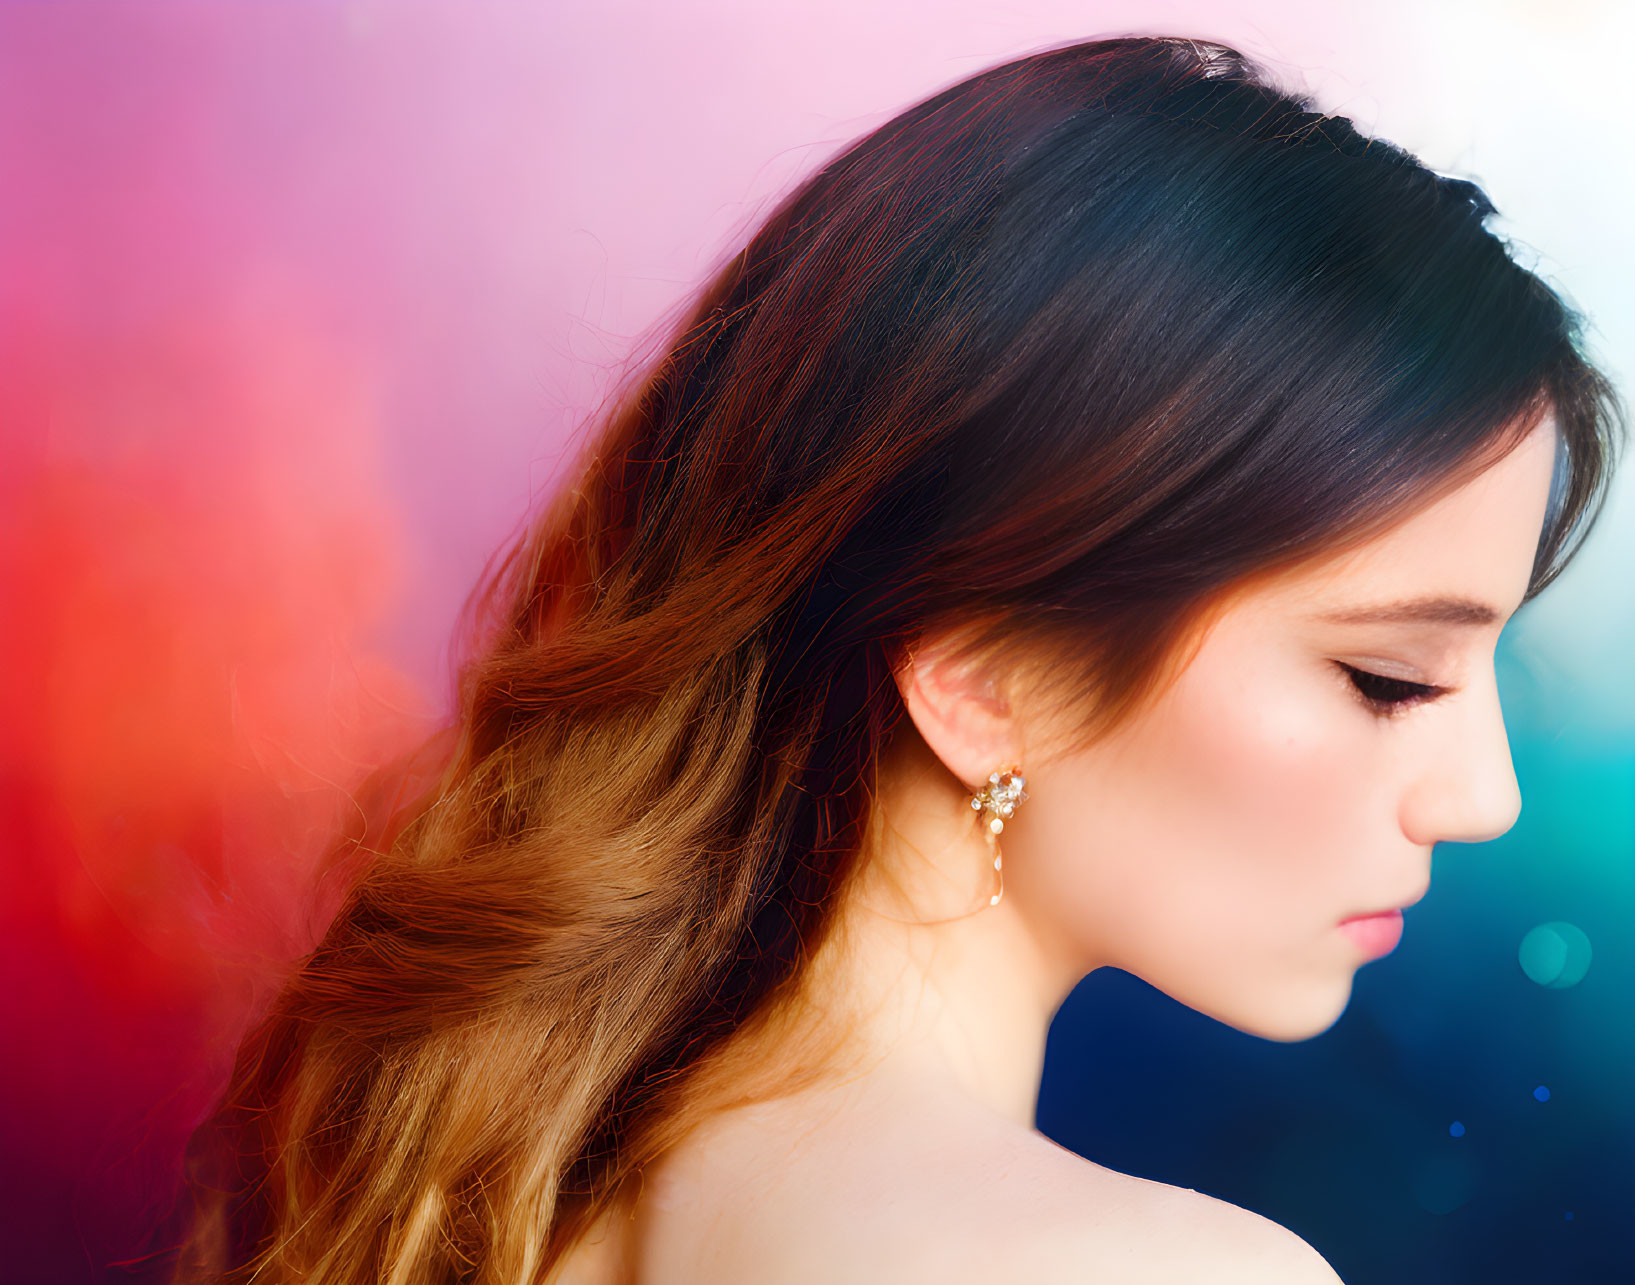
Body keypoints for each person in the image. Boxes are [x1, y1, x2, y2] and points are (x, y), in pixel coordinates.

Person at [169, 33, 1625, 1285]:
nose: (1482, 794)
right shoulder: (1155, 1272)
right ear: (984, 678)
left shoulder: (499, 1202)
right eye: (1388, 678)